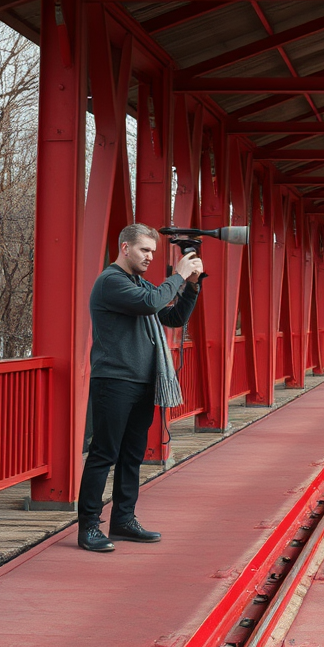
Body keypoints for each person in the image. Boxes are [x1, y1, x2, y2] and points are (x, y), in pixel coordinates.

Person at [77, 223, 205, 553]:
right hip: (115, 381)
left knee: (132, 455)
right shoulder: (111, 282)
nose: (150, 256)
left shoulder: (139, 284)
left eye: (152, 251)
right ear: (125, 248)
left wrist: (191, 288)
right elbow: (151, 303)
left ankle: (123, 519)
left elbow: (173, 317)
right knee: (104, 454)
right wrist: (177, 275)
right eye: (144, 250)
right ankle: (89, 527)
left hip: (143, 381)